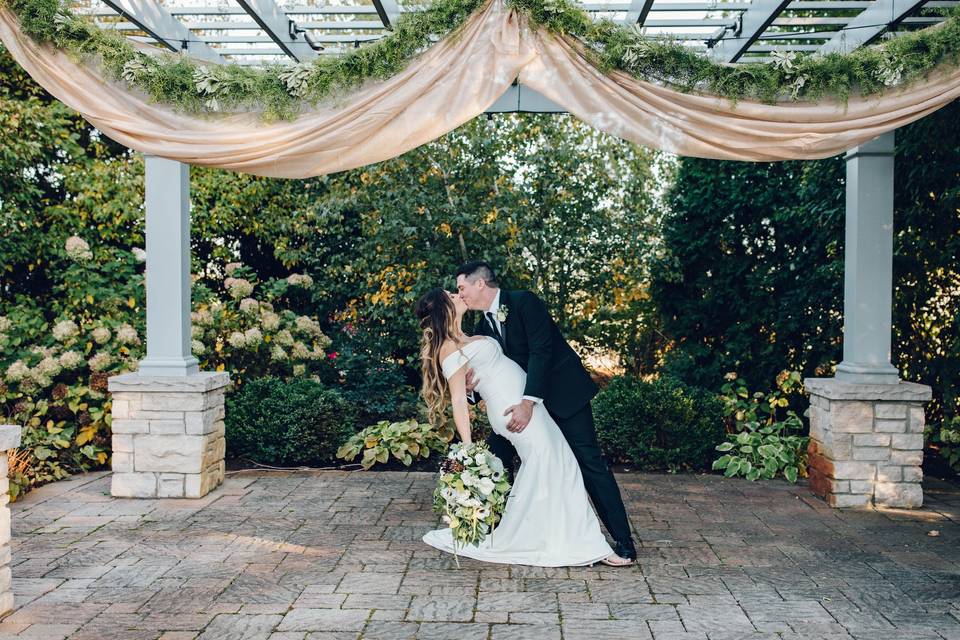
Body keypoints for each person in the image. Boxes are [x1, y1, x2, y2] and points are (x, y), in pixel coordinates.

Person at [416, 287, 632, 566]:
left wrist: (480, 385)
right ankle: (586, 545)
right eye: (453, 295)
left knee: (556, 466)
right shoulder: (448, 346)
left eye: (459, 290)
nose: (459, 295)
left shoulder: (473, 332)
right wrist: (467, 446)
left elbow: (508, 361)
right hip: (512, 411)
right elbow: (459, 399)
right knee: (556, 465)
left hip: (531, 407)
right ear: (445, 309)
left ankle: (546, 535)